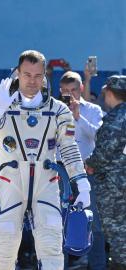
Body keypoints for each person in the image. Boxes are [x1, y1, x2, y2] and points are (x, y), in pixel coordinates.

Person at [0, 50, 91, 270]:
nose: (32, 80)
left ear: (45, 76)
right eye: (27, 75)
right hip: (10, 183)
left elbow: (69, 148)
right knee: (6, 247)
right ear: (18, 74)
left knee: (51, 246)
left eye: (38, 75)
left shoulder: (58, 110)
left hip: (45, 184)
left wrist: (82, 184)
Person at [59, 71, 106, 269]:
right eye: (66, 91)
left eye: (74, 90)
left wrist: (78, 117)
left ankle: (97, 266)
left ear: (81, 89)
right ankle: (59, 265)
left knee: (94, 223)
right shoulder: (54, 110)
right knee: (59, 222)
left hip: (88, 172)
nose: (71, 95)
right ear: (61, 91)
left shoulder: (93, 110)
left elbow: (100, 137)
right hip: (61, 173)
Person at [85, 75, 126, 269]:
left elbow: (105, 152)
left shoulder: (116, 118)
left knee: (117, 234)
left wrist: (89, 162)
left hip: (115, 187)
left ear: (109, 93)